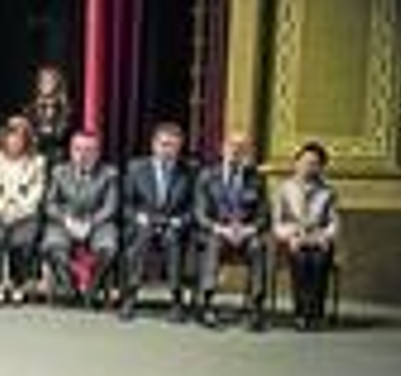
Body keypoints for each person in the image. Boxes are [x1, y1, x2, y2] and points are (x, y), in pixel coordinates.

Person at [120, 121, 195, 322]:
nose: (167, 150)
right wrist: (138, 217)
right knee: (142, 237)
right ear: (154, 145)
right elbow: (126, 204)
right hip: (144, 223)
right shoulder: (136, 168)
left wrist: (180, 221)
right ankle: (130, 296)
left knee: (172, 240)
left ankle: (176, 300)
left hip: (173, 224)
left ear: (180, 147)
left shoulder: (189, 171)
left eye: (172, 146)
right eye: (163, 144)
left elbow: (193, 208)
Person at [195, 131, 270, 331]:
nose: (236, 151)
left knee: (257, 246)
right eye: (232, 146)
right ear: (223, 149)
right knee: (213, 243)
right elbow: (200, 213)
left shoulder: (256, 178)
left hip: (246, 233)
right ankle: (207, 304)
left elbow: (263, 215)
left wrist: (249, 229)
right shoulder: (207, 176)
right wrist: (220, 229)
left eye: (242, 147)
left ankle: (255, 305)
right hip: (217, 231)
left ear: (248, 151)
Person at [42, 129, 120, 308]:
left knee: (109, 247)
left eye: (88, 150)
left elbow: (110, 207)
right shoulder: (58, 172)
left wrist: (90, 224)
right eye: (78, 149)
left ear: (98, 152)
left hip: (97, 223)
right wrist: (66, 220)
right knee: (52, 246)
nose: (82, 155)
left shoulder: (109, 173)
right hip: (64, 223)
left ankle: (93, 288)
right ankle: (70, 286)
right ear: (71, 150)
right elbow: (50, 204)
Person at [0, 115, 47, 306]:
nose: (14, 141)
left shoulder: (37, 162)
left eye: (20, 137)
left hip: (25, 214)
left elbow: (36, 193)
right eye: (11, 136)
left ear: (26, 140)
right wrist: (1, 209)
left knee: (21, 241)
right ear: (4, 138)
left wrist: (18, 211)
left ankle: (19, 285)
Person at [273, 140, 341, 331]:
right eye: (305, 162)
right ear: (296, 163)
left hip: (318, 239)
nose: (309, 167)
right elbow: (277, 223)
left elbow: (334, 224)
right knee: (301, 258)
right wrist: (292, 235)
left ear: (321, 167)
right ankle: (300, 312)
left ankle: (316, 312)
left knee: (319, 259)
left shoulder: (328, 192)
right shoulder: (284, 189)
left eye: (314, 163)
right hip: (294, 238)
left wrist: (323, 237)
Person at [27, 64, 72, 163]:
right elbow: (29, 134)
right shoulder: (31, 108)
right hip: (34, 154)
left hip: (57, 155)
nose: (45, 85)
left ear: (58, 84)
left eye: (49, 81)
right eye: (42, 81)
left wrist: (41, 132)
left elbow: (59, 135)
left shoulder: (66, 109)